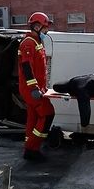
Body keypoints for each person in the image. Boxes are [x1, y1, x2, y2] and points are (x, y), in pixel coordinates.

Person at [18, 12, 55, 161]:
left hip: (37, 89)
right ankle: (32, 148)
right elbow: (27, 67)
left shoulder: (36, 42)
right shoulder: (28, 43)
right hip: (31, 90)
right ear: (37, 26)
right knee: (47, 114)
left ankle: (30, 148)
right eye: (45, 29)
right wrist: (34, 88)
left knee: (33, 118)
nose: (47, 32)